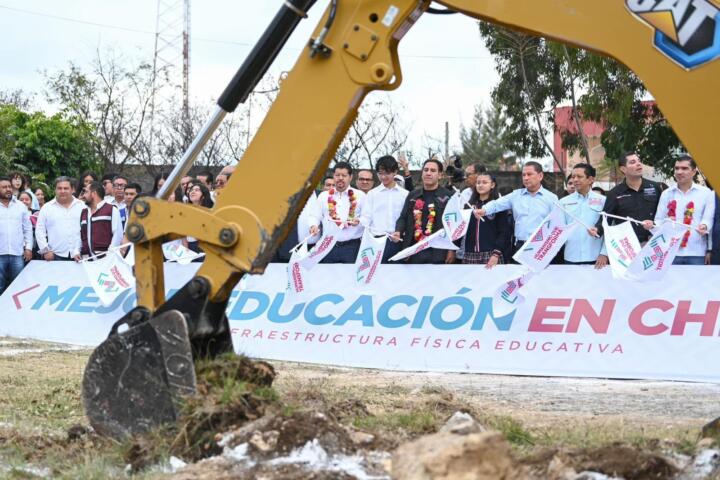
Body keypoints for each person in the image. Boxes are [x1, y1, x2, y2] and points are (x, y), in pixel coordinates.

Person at [476, 161, 559, 257]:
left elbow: (556, 224)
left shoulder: (552, 198)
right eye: (523, 175)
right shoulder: (515, 195)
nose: (526, 178)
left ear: (540, 176)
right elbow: (496, 204)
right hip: (520, 246)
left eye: (529, 174)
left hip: (542, 247)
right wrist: (484, 210)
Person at [652, 155, 714, 265]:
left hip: (696, 252)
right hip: (670, 252)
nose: (679, 172)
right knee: (671, 283)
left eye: (684, 168)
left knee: (697, 282)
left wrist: (704, 227)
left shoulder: (706, 193)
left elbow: (709, 219)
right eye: (677, 168)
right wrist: (651, 226)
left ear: (694, 172)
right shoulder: (667, 194)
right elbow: (659, 221)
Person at [594, 151, 665, 245]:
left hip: (654, 244)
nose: (638, 164)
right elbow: (606, 219)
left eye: (639, 161)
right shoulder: (614, 193)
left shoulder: (655, 187)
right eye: (632, 162)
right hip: (628, 247)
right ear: (623, 169)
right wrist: (597, 230)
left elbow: (664, 215)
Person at [393, 158, 455, 264]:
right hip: (414, 250)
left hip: (439, 251)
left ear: (440, 175)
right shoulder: (413, 195)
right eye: (425, 170)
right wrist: (398, 231)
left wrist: (452, 249)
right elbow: (403, 217)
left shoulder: (448, 196)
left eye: (433, 170)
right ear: (422, 173)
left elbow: (455, 225)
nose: (428, 173)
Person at [308, 162, 366, 263]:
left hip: (352, 247)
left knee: (350, 277)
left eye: (344, 175)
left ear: (350, 177)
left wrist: (359, 220)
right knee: (327, 277)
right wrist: (313, 225)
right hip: (327, 246)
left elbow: (367, 217)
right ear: (333, 176)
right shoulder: (324, 196)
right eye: (337, 175)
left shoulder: (360, 196)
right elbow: (315, 215)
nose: (340, 178)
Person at [360, 155, 408, 262]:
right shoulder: (372, 194)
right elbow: (366, 217)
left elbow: (406, 219)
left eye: (387, 173)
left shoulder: (405, 195)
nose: (383, 177)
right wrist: (357, 222)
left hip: (398, 242)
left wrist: (400, 232)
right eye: (380, 173)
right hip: (377, 242)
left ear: (395, 172)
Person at [559, 163, 606, 266]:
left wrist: (604, 253)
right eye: (573, 176)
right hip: (571, 257)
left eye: (579, 176)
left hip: (596, 258)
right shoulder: (563, 202)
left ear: (591, 179)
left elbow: (609, 229)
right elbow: (558, 229)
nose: (575, 180)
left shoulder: (603, 201)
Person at [464, 173, 510, 267]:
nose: (480, 185)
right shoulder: (468, 206)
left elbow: (504, 232)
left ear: (492, 185)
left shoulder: (498, 206)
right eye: (478, 183)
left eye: (484, 182)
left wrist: (496, 253)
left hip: (491, 255)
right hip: (470, 254)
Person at [35, 176, 85, 261]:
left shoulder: (82, 206)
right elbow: (39, 230)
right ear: (55, 190)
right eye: (59, 188)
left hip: (79, 254)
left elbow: (87, 229)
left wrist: (80, 249)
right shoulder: (47, 208)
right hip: (55, 255)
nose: (62, 191)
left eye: (66, 188)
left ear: (72, 190)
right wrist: (46, 251)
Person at [0, 176, 33, 295]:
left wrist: (28, 248)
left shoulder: (20, 206)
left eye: (9, 186)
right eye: (4, 187)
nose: (8, 189)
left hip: (17, 254)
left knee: (19, 288)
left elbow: (28, 229)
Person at [78, 181, 124, 260]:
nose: (83, 195)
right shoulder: (84, 212)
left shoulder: (111, 209)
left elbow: (118, 235)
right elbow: (79, 235)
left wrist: (110, 255)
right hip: (86, 261)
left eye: (86, 192)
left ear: (94, 193)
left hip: (105, 259)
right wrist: (77, 251)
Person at [17, 191, 40, 259]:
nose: (24, 201)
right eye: (21, 200)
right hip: (19, 247)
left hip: (35, 247)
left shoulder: (37, 213)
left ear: (31, 201)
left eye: (27, 199)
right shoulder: (14, 215)